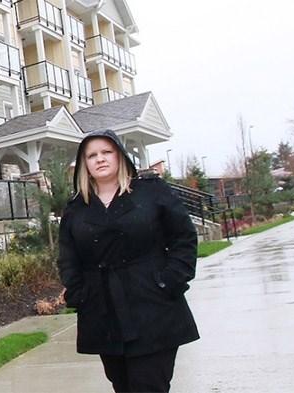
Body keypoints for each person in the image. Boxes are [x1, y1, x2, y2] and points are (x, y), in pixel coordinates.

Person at [57, 129, 199, 393]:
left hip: (153, 305)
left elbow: (183, 237)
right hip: (103, 311)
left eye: (106, 152)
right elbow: (68, 258)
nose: (100, 159)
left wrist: (171, 280)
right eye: (92, 155)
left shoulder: (150, 191)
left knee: (149, 386)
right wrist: (80, 294)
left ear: (120, 156)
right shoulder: (77, 208)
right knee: (123, 386)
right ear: (84, 164)